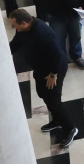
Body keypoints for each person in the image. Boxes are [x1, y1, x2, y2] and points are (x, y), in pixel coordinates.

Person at [9, 9, 78, 147]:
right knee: (42, 93)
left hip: (53, 70)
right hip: (41, 69)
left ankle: (70, 128)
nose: (13, 28)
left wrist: (53, 74)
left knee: (54, 100)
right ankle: (57, 120)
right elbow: (16, 43)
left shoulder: (43, 33)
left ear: (23, 23)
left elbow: (58, 55)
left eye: (14, 25)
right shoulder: (23, 30)